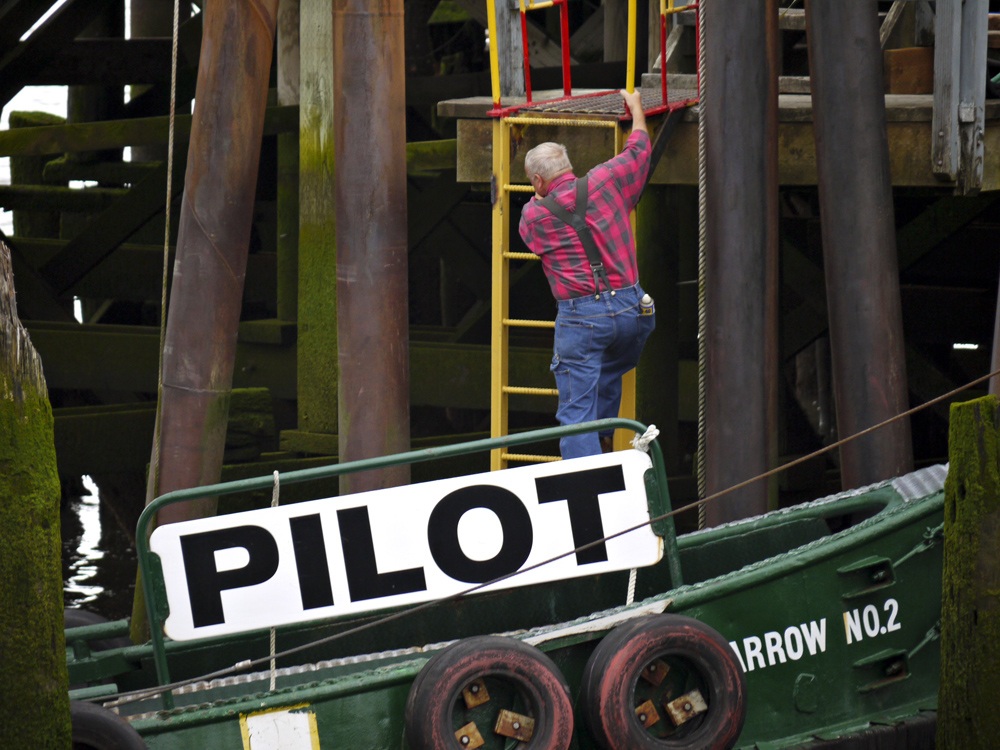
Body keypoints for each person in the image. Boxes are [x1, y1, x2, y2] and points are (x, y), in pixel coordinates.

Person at [519, 89, 655, 460]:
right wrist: (637, 109)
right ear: (567, 164)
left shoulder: (534, 216)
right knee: (609, 377)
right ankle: (608, 447)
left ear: (537, 180)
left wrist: (538, 195)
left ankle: (588, 483)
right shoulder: (607, 179)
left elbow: (531, 240)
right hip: (632, 311)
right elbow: (639, 149)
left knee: (576, 414)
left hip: (582, 319)